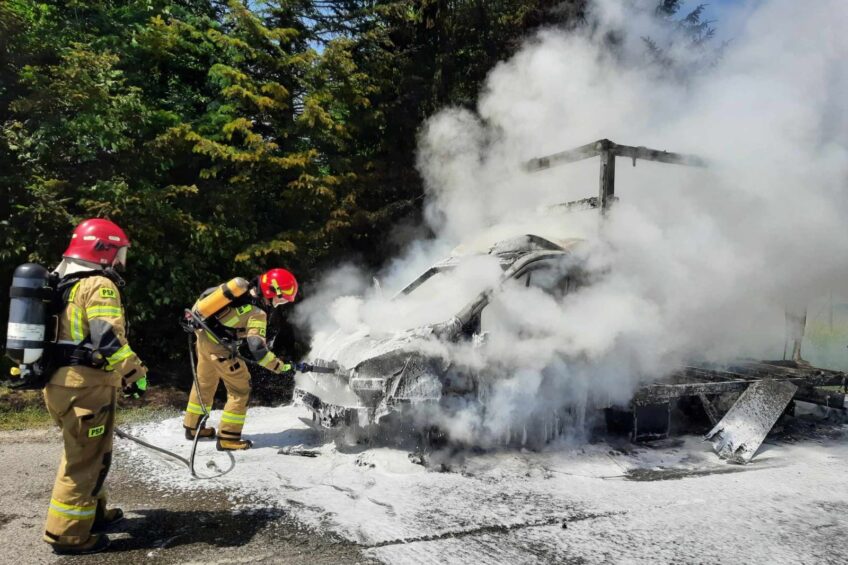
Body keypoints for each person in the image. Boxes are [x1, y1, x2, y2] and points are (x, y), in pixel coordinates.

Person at [42, 218, 148, 555]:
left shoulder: (63, 282)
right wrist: (135, 373)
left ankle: (95, 515)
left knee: (92, 453)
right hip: (85, 387)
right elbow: (108, 340)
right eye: (118, 253)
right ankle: (68, 534)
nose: (120, 261)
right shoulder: (99, 285)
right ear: (103, 251)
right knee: (84, 460)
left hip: (61, 384)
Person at [183, 268, 298, 451]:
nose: (280, 303)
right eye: (281, 298)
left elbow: (206, 296)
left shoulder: (239, 290)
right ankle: (229, 438)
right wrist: (279, 366)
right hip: (220, 350)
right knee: (240, 389)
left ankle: (193, 426)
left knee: (204, 382)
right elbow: (258, 350)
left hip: (203, 338)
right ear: (272, 291)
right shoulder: (258, 313)